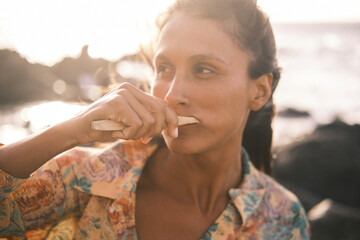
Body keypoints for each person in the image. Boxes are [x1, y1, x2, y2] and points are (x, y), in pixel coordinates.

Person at [0, 0, 310, 239]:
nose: (173, 94)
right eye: (164, 68)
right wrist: (74, 129)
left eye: (204, 69)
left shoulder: (282, 218)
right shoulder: (86, 178)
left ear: (259, 90)